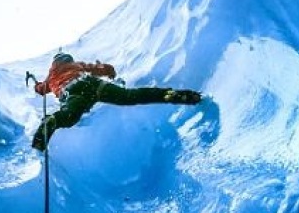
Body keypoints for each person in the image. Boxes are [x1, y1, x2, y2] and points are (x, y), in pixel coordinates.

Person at [29, 53, 202, 151]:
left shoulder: (51, 76)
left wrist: (37, 85)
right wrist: (109, 71)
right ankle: (170, 94)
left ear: (54, 64)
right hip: (91, 83)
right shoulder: (77, 65)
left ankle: (51, 121)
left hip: (72, 91)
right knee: (129, 96)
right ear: (68, 60)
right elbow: (100, 68)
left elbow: (41, 90)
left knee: (69, 115)